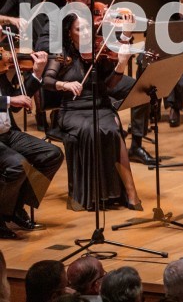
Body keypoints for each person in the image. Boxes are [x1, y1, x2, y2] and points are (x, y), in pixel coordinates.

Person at [44, 13, 142, 211]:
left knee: (112, 129)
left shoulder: (99, 51)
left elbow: (110, 86)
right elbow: (47, 81)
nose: (86, 33)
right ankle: (93, 194)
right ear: (70, 33)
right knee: (90, 129)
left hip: (100, 104)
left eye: (88, 28)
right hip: (73, 109)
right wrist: (64, 84)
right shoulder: (61, 54)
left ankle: (131, 193)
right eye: (79, 29)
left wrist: (121, 66)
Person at [0, 51, 63, 238]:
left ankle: (16, 206)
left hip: (7, 133)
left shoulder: (1, 73)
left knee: (52, 154)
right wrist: (10, 100)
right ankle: (2, 216)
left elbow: (19, 102)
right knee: (17, 165)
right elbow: (13, 101)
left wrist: (37, 73)